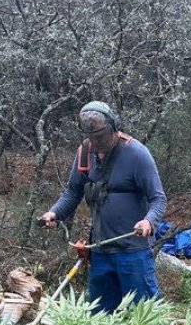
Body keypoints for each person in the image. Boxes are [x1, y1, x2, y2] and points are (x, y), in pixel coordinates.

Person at [40, 101, 167, 313]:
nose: (97, 142)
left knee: (145, 315)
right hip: (100, 251)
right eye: (92, 137)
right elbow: (72, 192)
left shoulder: (137, 154)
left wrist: (149, 221)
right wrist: (55, 212)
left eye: (102, 136)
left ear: (114, 127)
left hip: (132, 251)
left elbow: (158, 198)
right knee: (100, 316)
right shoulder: (84, 153)